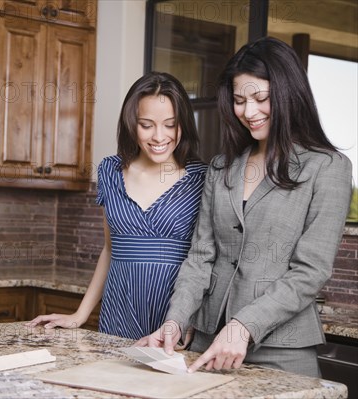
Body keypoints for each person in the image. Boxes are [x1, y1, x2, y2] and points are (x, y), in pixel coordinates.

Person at [136, 37, 353, 377]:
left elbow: (310, 272)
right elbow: (200, 257)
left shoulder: (327, 167)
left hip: (282, 348)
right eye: (239, 101)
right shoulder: (222, 167)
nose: (249, 112)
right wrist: (176, 321)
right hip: (207, 340)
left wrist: (243, 326)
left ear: (288, 94)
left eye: (261, 98)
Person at [26, 72, 207, 340]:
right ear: (131, 123)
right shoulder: (110, 170)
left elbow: (207, 260)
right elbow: (110, 249)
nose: (159, 136)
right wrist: (80, 315)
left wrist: (191, 320)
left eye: (170, 125)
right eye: (147, 125)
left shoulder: (202, 178)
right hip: (118, 313)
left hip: (174, 320)